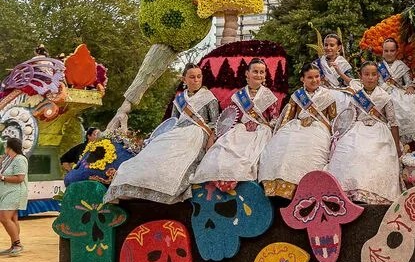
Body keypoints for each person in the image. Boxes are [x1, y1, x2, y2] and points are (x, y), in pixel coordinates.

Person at [105, 64, 220, 203]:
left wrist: (210, 139)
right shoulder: (179, 99)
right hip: (177, 132)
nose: (196, 80)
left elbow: (215, 122)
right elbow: (173, 121)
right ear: (184, 79)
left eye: (199, 76)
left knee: (175, 160)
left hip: (197, 134)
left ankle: (164, 189)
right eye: (192, 77)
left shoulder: (208, 97)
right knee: (153, 151)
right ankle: (130, 184)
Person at [258, 64, 344, 198]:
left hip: (318, 130)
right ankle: (278, 185)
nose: (314, 80)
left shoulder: (328, 96)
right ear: (302, 79)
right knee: (283, 150)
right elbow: (288, 117)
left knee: (308, 154)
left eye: (317, 77)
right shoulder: (297, 95)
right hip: (295, 128)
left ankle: (305, 188)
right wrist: (279, 134)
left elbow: (334, 120)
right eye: (310, 77)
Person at [192, 58, 278, 188]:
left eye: (262, 72)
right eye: (255, 71)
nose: (259, 75)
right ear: (247, 73)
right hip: (240, 130)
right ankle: (219, 179)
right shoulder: (239, 96)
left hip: (260, 132)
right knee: (224, 150)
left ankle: (244, 185)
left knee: (250, 156)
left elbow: (275, 118)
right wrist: (215, 134)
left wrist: (269, 126)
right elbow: (230, 117)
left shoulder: (268, 95)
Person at [326, 62, 402, 204]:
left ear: (378, 76)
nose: (370, 78)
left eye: (373, 74)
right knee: (352, 151)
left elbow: (393, 122)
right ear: (361, 77)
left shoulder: (385, 97)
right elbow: (349, 116)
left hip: (379, 131)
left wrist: (397, 146)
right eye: (366, 74)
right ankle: (350, 191)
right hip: (357, 129)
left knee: (375, 155)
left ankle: (373, 193)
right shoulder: (357, 97)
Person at [378, 38, 415, 150]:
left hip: (397, 92)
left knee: (407, 104)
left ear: (396, 51)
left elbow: (408, 82)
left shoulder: (401, 65)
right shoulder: (378, 66)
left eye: (392, 51)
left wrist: (410, 87)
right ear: (382, 51)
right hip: (381, 92)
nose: (389, 53)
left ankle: (402, 142)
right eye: (386, 51)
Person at [0, 137, 28, 256]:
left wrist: (2, 178)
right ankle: (14, 245)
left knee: (4, 217)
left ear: (10, 147)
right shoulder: (10, 159)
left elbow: (20, 178)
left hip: (15, 192)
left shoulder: (20, 159)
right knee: (12, 219)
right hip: (7, 192)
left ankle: (17, 244)